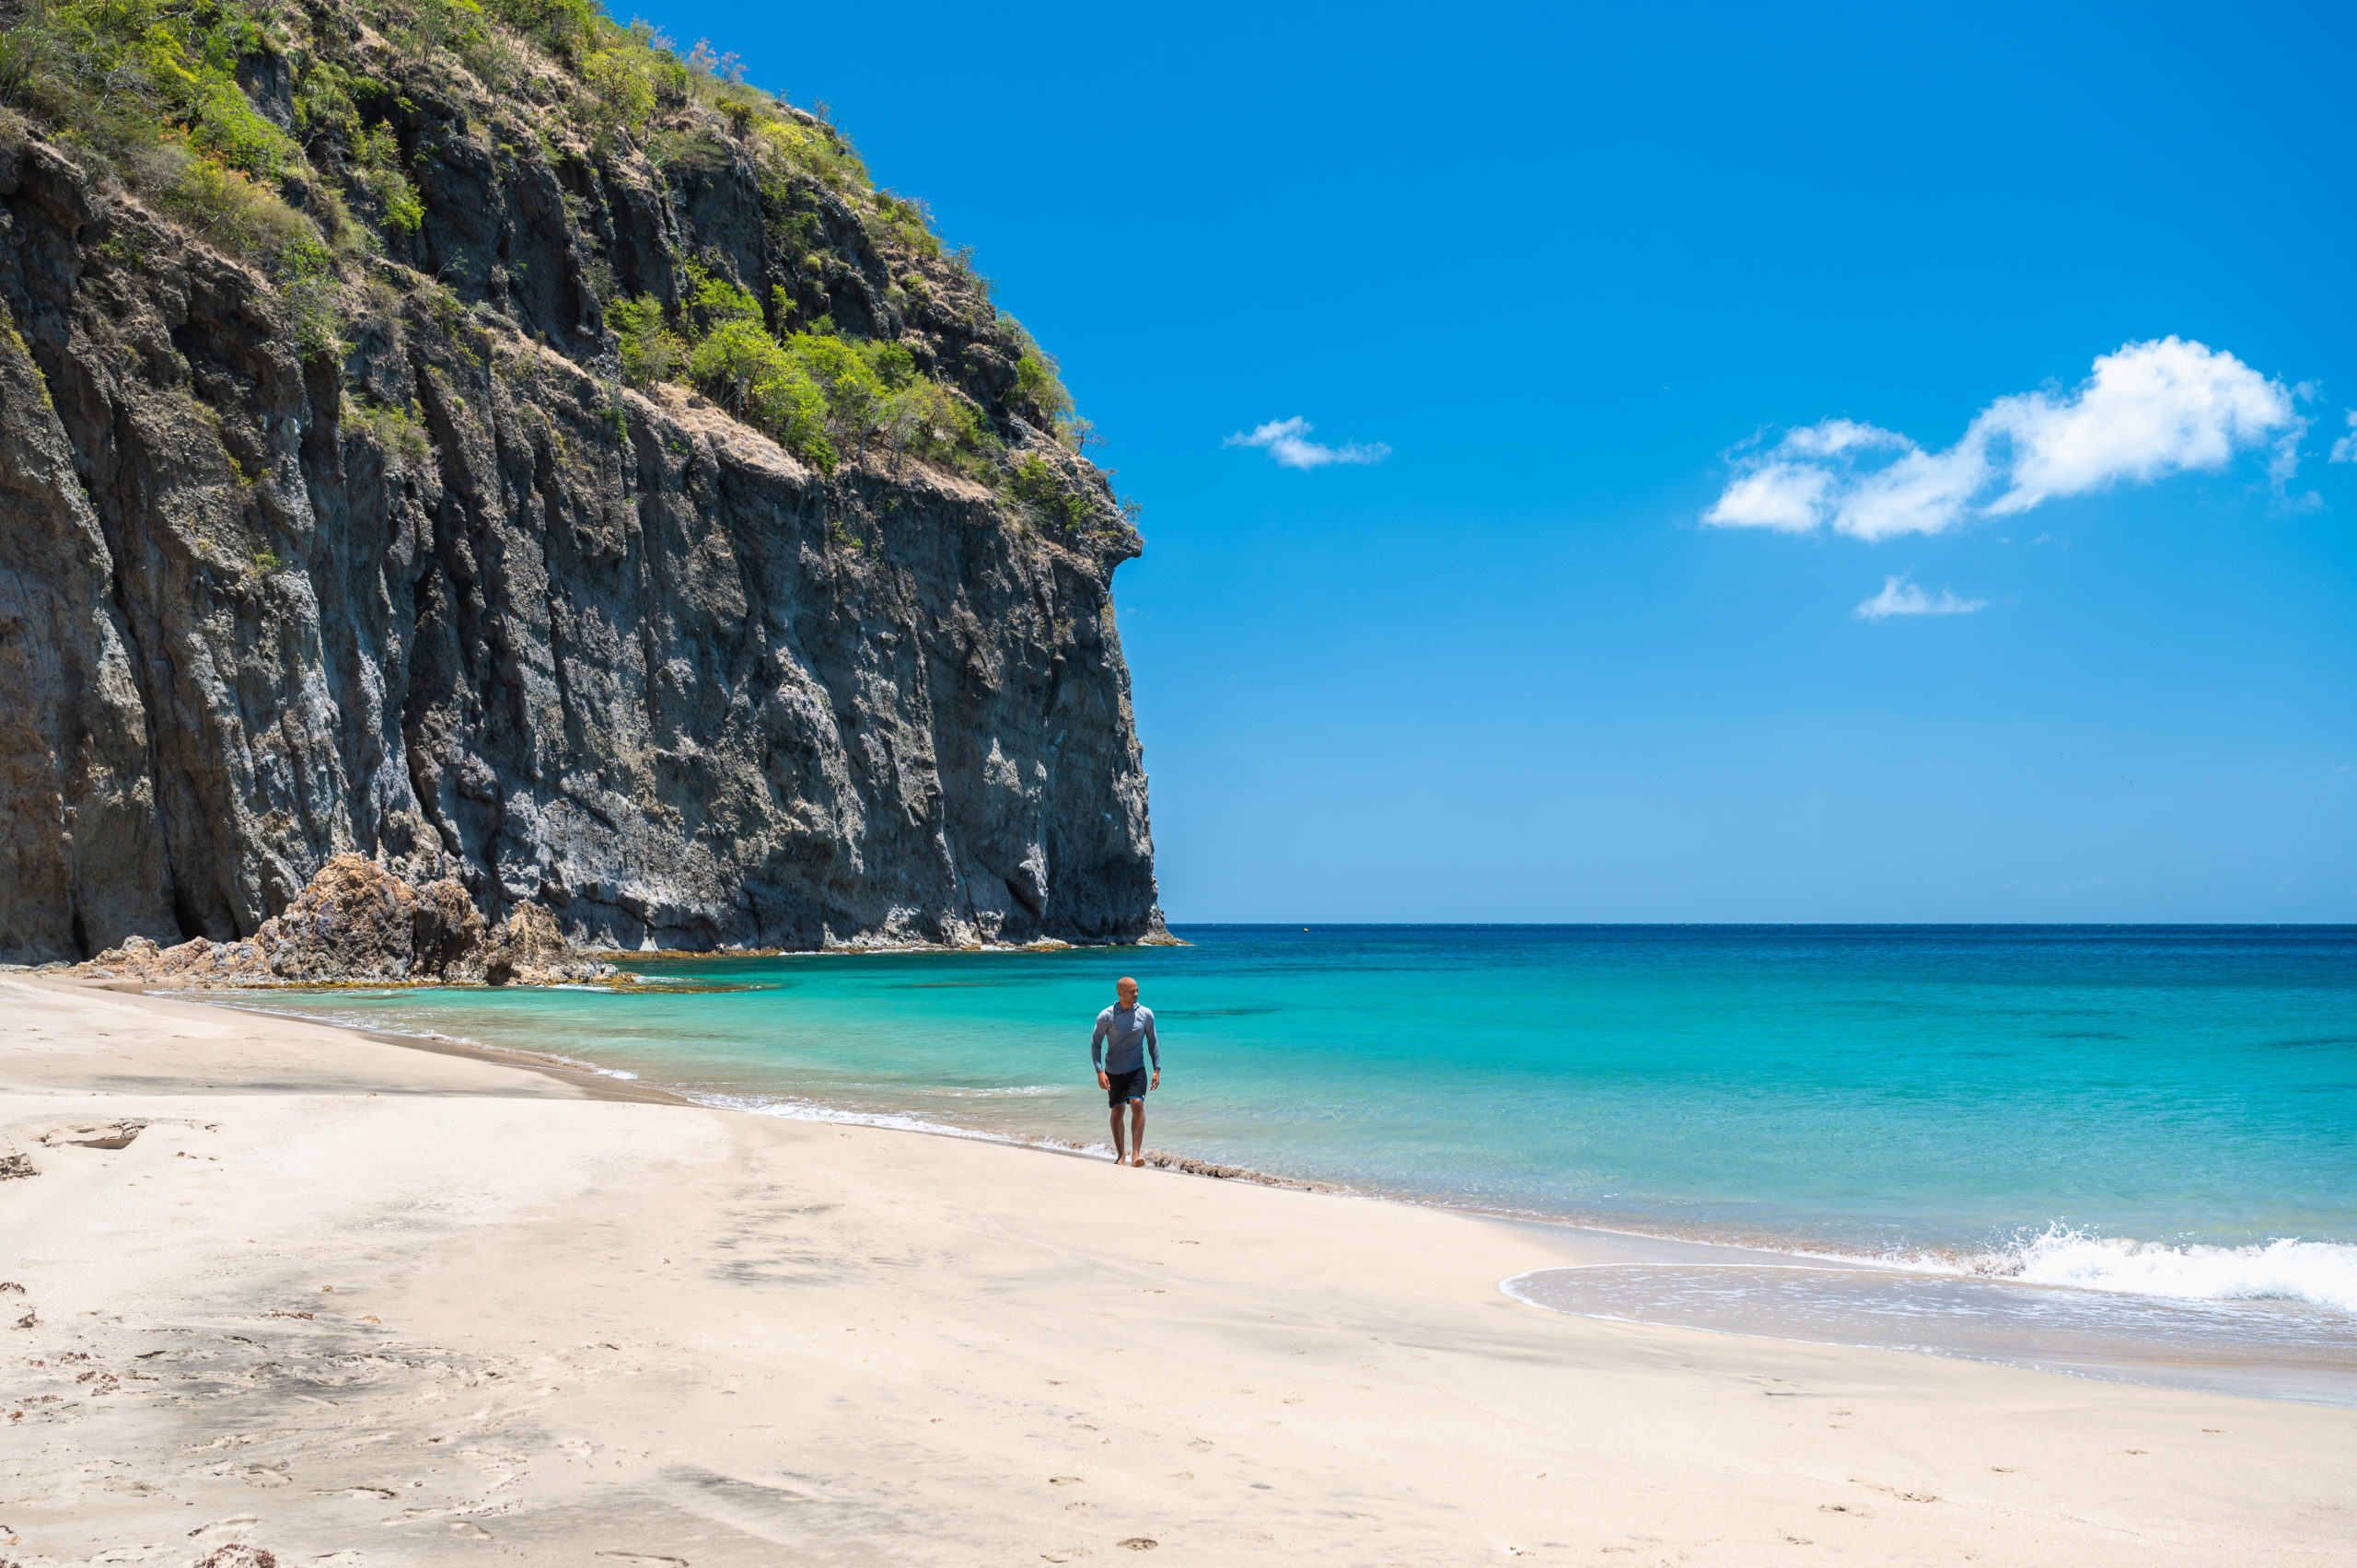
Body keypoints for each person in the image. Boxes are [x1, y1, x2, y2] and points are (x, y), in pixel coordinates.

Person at [1090, 976, 1159, 1167]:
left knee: (1137, 1104)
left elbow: (1153, 1042)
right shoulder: (1106, 1015)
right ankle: (1121, 1155)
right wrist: (1099, 1072)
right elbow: (1096, 1043)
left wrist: (1156, 1069)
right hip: (1113, 1071)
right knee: (1118, 1109)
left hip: (1137, 1068)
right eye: (1131, 991)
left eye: (1137, 991)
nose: (1135, 994)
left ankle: (1136, 1154)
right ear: (1120, 993)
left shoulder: (1146, 1014)